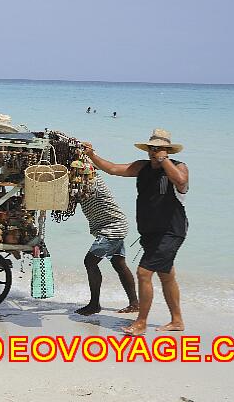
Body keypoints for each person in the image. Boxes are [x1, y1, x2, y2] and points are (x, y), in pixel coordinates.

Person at [83, 129, 188, 335]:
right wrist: (91, 155)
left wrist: (164, 160)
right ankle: (177, 321)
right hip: (149, 232)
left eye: (158, 148)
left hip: (170, 231)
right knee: (167, 276)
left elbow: (181, 182)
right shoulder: (142, 167)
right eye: (151, 148)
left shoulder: (178, 167)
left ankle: (140, 323)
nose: (153, 151)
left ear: (167, 150)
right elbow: (113, 168)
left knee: (143, 273)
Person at [76, 172, 139, 316]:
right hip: (114, 225)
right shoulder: (81, 183)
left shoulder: (92, 183)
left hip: (113, 227)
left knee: (90, 262)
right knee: (119, 263)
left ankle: (94, 305)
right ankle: (135, 303)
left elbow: (71, 197)